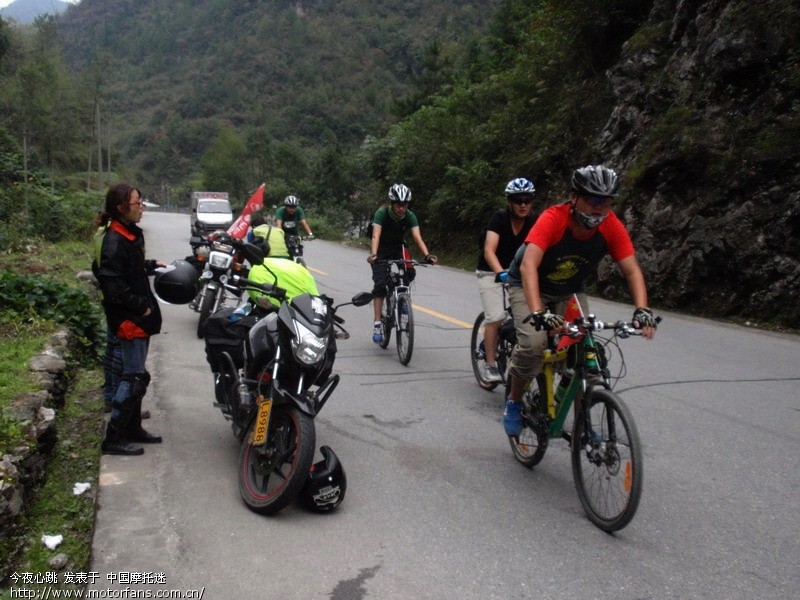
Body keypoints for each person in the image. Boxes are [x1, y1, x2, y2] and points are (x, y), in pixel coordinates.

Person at [502, 165, 657, 437]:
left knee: (585, 353)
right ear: (574, 198)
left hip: (569, 289)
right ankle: (514, 401)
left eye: (606, 201)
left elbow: (631, 269)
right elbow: (528, 266)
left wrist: (642, 309)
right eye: (592, 200)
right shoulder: (553, 219)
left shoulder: (611, 225)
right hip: (528, 284)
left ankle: (582, 422)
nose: (599, 207)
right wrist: (539, 312)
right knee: (534, 344)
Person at [94, 184, 166, 456]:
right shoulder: (114, 240)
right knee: (133, 376)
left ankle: (133, 427)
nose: (141, 207)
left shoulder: (127, 235)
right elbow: (114, 288)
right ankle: (113, 438)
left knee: (138, 376)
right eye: (137, 203)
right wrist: (142, 308)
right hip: (129, 319)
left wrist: (150, 266)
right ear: (122, 207)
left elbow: (129, 271)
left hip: (137, 318)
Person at [476, 178, 539, 383]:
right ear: (509, 202)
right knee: (495, 317)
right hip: (491, 271)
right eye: (518, 200)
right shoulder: (499, 218)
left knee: (530, 317)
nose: (523, 205)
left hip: (519, 273)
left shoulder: (534, 221)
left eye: (527, 200)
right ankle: (490, 365)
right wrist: (501, 273)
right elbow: (488, 250)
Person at [367, 183, 437, 343]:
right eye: (398, 205)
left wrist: (427, 255)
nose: (401, 209)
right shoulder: (381, 213)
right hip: (381, 249)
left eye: (404, 205)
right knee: (379, 287)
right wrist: (374, 254)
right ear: (392, 203)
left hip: (398, 247)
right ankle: (378, 323)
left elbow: (417, 237)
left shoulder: (410, 216)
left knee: (409, 272)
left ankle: (402, 297)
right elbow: (375, 236)